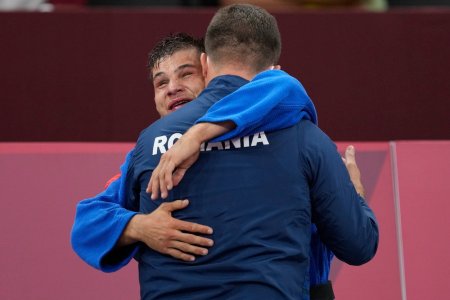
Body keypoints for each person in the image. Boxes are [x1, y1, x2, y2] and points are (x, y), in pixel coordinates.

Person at [119, 4, 378, 299]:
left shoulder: (150, 141)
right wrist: (356, 196)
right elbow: (359, 245)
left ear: (205, 64)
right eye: (161, 82)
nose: (171, 88)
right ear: (272, 69)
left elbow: (102, 219)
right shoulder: (306, 138)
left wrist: (134, 225)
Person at [71, 32, 337, 298]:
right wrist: (140, 226)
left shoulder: (275, 121)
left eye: (186, 74)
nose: (172, 88)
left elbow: (283, 86)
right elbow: (87, 222)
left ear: (210, 73)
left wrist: (199, 133)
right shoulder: (154, 154)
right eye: (160, 82)